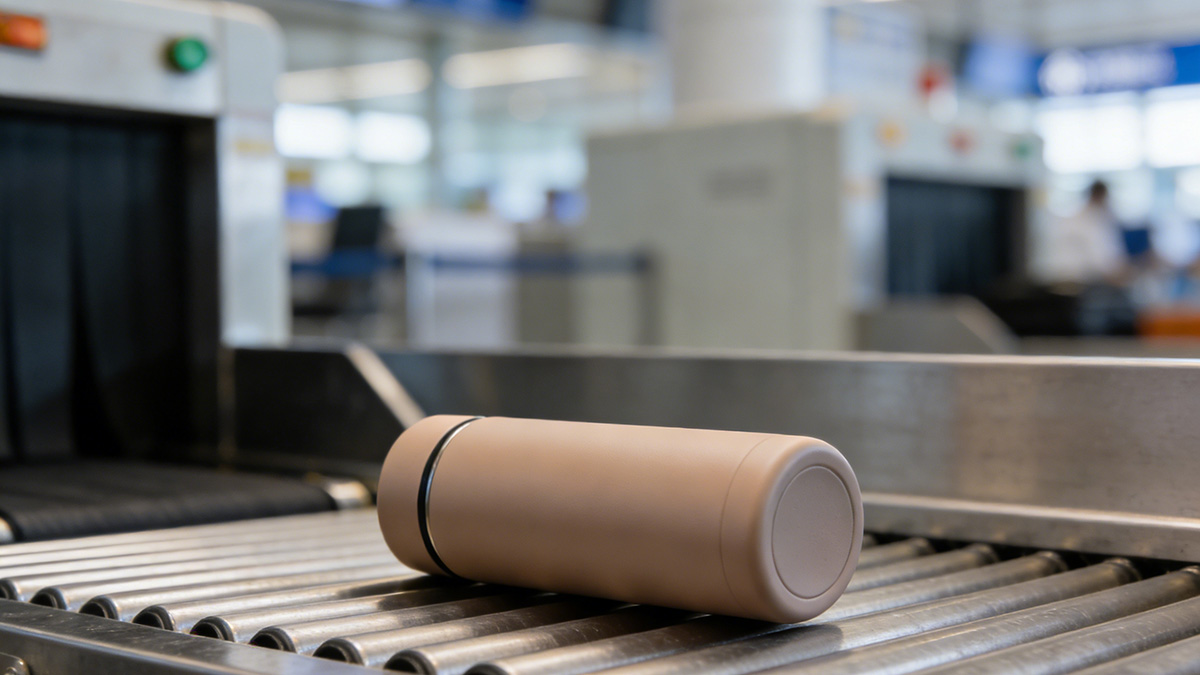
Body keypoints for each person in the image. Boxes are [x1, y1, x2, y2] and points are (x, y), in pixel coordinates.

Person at [1041, 180, 1127, 285]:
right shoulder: (1087, 220)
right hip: (1076, 280)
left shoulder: (1083, 217)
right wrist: (1119, 273)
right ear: (1099, 196)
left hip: (1066, 276)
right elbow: (1100, 257)